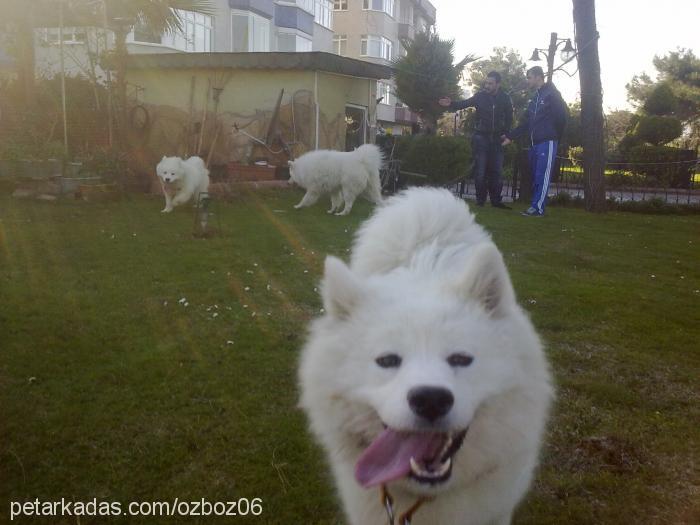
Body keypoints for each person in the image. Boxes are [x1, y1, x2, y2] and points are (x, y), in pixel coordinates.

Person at [439, 71, 513, 209]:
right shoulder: (480, 96)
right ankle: (480, 201)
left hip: (497, 139)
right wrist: (451, 103)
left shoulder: (505, 98)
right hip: (481, 137)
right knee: (480, 171)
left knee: (496, 172)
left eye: (491, 83)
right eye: (486, 83)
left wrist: (506, 133)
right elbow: (463, 104)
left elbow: (509, 117)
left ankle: (496, 201)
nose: (487, 85)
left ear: (498, 84)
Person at [502, 66, 568, 217]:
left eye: (530, 77)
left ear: (539, 77)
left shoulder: (552, 94)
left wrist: (553, 135)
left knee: (542, 176)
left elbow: (562, 118)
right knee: (537, 176)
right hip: (535, 143)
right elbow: (526, 123)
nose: (528, 80)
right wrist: (510, 137)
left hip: (547, 141)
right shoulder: (535, 98)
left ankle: (538, 208)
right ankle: (535, 206)